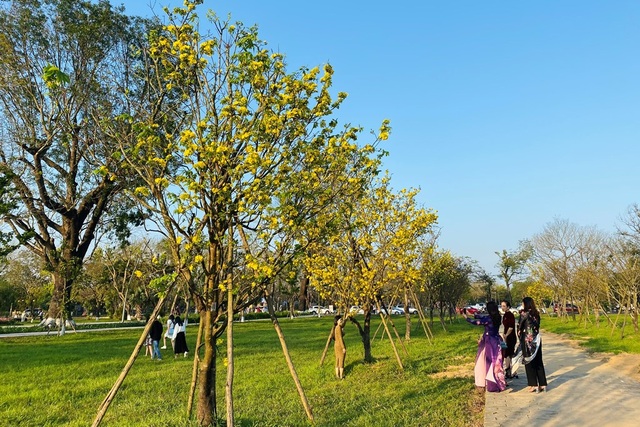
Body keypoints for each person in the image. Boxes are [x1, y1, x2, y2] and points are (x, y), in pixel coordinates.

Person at [464, 300, 506, 392]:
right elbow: (480, 317)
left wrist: (466, 317)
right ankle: (498, 382)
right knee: (497, 362)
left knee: (489, 362)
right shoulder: (498, 317)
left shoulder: (488, 319)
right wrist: (473, 314)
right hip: (497, 340)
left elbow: (477, 322)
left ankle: (491, 385)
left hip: (489, 342)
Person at [519, 296, 547, 393]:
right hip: (537, 339)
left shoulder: (524, 313)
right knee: (538, 361)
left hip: (527, 340)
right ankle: (543, 384)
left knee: (529, 362)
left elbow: (520, 326)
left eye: (523, 303)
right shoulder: (536, 313)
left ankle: (533, 384)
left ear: (526, 304)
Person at [500, 300, 517, 379]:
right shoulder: (505, 315)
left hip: (511, 337)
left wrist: (506, 335)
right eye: (501, 306)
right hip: (506, 336)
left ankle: (508, 371)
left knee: (508, 354)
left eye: (504, 306)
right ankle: (513, 371)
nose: (502, 307)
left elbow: (511, 327)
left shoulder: (510, 315)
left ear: (508, 307)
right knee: (509, 353)